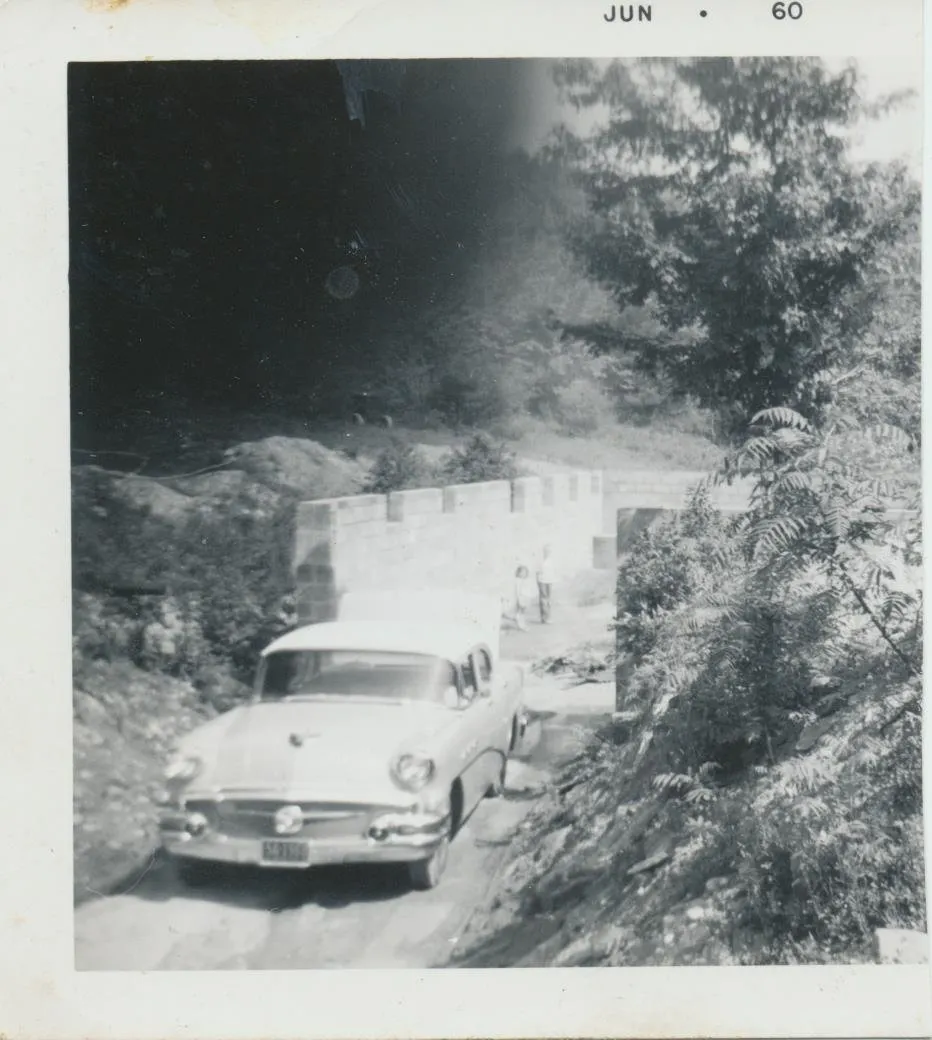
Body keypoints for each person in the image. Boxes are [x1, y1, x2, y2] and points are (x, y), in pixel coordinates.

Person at [504, 565, 535, 631]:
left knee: (522, 612)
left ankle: (519, 621)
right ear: (518, 573)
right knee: (521, 612)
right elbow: (518, 591)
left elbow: (528, 590)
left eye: (525, 572)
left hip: (524, 598)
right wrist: (519, 599)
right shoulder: (518, 581)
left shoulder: (525, 580)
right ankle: (521, 625)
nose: (523, 574)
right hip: (520, 598)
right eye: (522, 572)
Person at [536, 545, 555, 624]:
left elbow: (553, 572)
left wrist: (552, 581)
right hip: (542, 581)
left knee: (549, 599)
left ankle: (548, 617)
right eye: (546, 551)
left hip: (549, 581)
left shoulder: (552, 561)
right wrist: (538, 581)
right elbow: (537, 572)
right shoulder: (540, 561)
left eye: (549, 551)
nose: (547, 553)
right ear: (543, 551)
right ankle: (544, 617)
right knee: (543, 599)